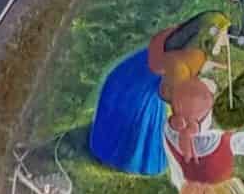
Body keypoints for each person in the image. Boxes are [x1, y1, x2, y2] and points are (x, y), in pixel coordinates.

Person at [87, 10, 230, 175]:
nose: (225, 42)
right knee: (135, 135)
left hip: (134, 81)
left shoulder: (185, 43)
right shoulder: (179, 65)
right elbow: (169, 95)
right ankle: (124, 158)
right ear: (207, 37)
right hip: (133, 93)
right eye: (222, 36)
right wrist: (198, 99)